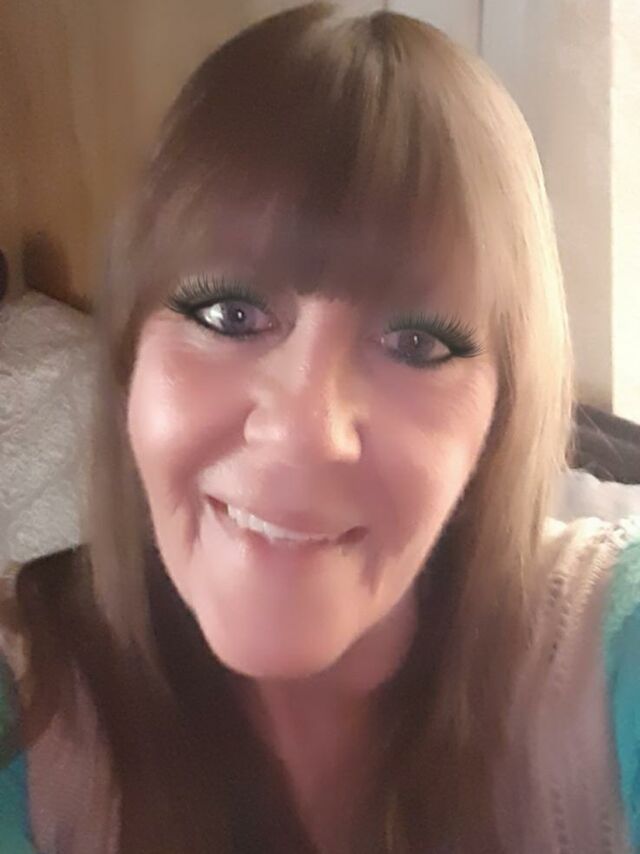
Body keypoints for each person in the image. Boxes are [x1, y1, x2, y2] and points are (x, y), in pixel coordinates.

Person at [1, 3, 638, 852]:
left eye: (415, 344)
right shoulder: (30, 709)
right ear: (128, 363)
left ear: (501, 413)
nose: (305, 431)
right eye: (229, 314)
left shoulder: (609, 657)